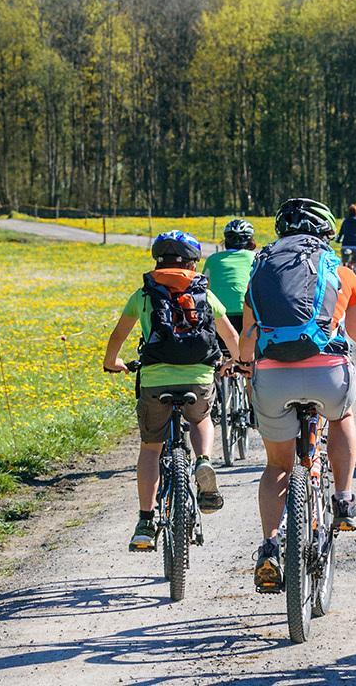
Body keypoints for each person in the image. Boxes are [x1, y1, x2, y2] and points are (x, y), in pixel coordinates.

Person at [239, 198, 356, 591]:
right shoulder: (341, 271)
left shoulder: (261, 269)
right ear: (326, 234)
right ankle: (344, 498)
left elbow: (248, 342)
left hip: (273, 377)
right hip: (327, 375)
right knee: (342, 417)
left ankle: (269, 547)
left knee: (278, 466)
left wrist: (247, 365)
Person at [103, 230, 241, 551]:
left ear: (157, 261)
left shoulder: (144, 294)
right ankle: (204, 460)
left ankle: (145, 521)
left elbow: (117, 336)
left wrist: (114, 362)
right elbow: (230, 335)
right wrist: (236, 362)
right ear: (193, 263)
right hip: (198, 376)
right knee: (200, 418)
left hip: (154, 379)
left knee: (151, 448)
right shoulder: (203, 292)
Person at [204, 219, 260, 333]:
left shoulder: (212, 259)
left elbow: (205, 287)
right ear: (250, 240)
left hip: (218, 312)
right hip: (245, 310)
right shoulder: (256, 258)